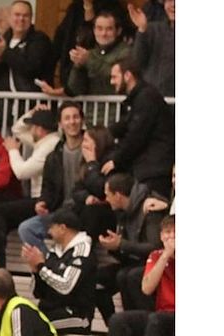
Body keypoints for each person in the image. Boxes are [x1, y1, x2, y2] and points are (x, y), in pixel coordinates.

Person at [88, 215, 174, 336]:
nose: (171, 237)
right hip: (162, 317)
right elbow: (147, 288)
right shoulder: (157, 256)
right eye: (167, 232)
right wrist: (166, 255)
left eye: (176, 232)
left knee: (155, 319)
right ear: (161, 236)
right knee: (119, 321)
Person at [96, 173, 167, 321]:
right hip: (133, 262)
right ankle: (117, 323)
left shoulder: (150, 208)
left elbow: (155, 247)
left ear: (118, 195)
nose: (106, 199)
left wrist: (121, 244)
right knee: (97, 278)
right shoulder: (121, 213)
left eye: (108, 195)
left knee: (130, 276)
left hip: (156, 263)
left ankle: (143, 323)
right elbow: (126, 250)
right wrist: (114, 246)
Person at [17, 102, 86, 254]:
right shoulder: (54, 155)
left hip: (84, 212)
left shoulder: (92, 148)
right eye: (67, 118)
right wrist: (42, 202)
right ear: (60, 124)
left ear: (82, 120)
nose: (72, 122)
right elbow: (48, 188)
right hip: (60, 212)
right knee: (26, 228)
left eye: (75, 117)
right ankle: (50, 265)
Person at [102, 58, 175, 198]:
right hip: (151, 167)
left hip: (154, 170)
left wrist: (116, 160)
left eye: (114, 77)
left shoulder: (146, 98)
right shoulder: (140, 98)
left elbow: (136, 135)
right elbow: (127, 126)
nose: (112, 82)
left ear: (127, 75)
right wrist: (104, 133)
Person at [0, 106, 62, 236]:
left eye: (32, 127)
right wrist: (33, 111)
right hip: (36, 199)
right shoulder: (45, 140)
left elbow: (22, 173)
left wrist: (12, 150)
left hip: (43, 201)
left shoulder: (50, 145)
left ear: (39, 129)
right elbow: (17, 130)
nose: (30, 130)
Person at [20, 209, 96, 335]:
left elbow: (66, 286)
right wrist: (35, 270)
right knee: (20, 320)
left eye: (51, 228)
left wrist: (40, 266)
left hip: (77, 315)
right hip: (51, 310)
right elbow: (38, 293)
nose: (49, 232)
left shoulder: (82, 251)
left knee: (35, 327)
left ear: (62, 228)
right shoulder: (54, 252)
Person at [63, 11, 131, 97]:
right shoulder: (90, 53)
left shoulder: (126, 52)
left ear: (118, 31)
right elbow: (74, 90)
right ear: (94, 30)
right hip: (90, 109)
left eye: (109, 29)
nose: (103, 34)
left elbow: (117, 76)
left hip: (117, 108)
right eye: (99, 28)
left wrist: (88, 60)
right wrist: (78, 66)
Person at [129, 0, 174, 97]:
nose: (173, 5)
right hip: (152, 100)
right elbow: (137, 62)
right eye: (169, 0)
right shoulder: (153, 29)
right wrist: (142, 30)